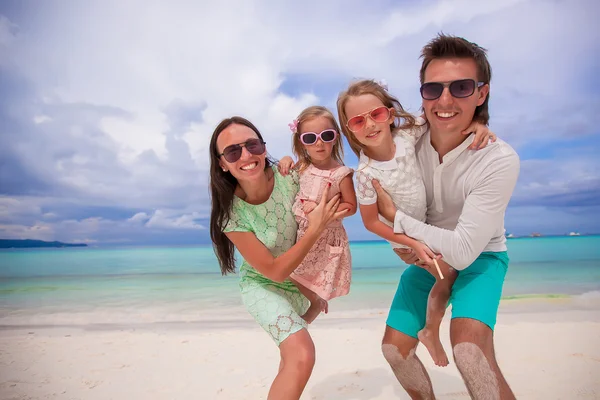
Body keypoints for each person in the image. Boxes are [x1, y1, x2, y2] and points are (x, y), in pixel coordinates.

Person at [372, 34, 520, 399]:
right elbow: (360, 140)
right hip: (429, 258)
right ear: (422, 93)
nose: (445, 100)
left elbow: (465, 251)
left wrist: (399, 222)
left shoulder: (498, 158)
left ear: (481, 94)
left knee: (469, 351)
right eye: (433, 89)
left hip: (481, 256)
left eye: (462, 87)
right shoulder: (405, 141)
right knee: (395, 349)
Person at [336, 79, 495, 367]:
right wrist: (411, 243)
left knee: (446, 276)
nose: (370, 125)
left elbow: (444, 117)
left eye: (377, 114)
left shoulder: (407, 135)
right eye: (358, 121)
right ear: (349, 129)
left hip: (424, 224)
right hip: (402, 236)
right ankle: (430, 331)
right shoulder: (365, 174)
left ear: (390, 113)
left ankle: (430, 328)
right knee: (445, 275)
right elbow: (371, 222)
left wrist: (480, 123)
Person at [209, 116, 347, 400]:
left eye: (253, 145)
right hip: (264, 285)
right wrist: (317, 227)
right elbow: (273, 271)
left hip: (299, 282)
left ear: (263, 147)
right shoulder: (231, 214)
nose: (246, 155)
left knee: (290, 360)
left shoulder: (289, 176)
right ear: (222, 163)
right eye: (233, 151)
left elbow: (326, 174)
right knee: (302, 355)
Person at [278, 106, 357, 323]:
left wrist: (326, 214)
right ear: (301, 142)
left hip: (325, 236)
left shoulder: (341, 173)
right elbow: (285, 177)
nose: (319, 143)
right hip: (302, 234)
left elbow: (351, 205)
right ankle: (311, 301)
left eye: (326, 136)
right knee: (287, 271)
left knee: (302, 274)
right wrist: (285, 159)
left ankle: (315, 302)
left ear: (336, 138)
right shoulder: (302, 166)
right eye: (310, 138)